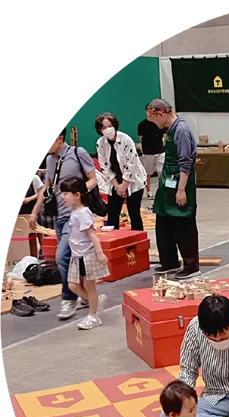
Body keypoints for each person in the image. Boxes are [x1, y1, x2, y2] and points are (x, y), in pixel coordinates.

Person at [28, 126, 96, 320]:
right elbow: (47, 188)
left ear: (59, 138)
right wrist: (35, 212)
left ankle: (69, 298)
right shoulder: (50, 160)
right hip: (58, 216)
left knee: (62, 257)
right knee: (73, 257)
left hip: (75, 216)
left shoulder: (78, 153)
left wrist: (78, 196)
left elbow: (93, 179)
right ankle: (86, 296)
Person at [145, 98, 200, 280]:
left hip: (180, 181)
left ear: (161, 113)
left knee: (182, 223)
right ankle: (169, 262)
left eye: (152, 119)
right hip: (167, 180)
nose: (152, 123)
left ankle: (191, 266)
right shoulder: (169, 130)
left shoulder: (181, 130)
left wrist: (181, 190)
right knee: (163, 221)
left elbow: (186, 162)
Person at [59, 177, 109, 330]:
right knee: (73, 285)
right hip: (77, 255)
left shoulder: (83, 213)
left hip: (87, 254)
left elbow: (92, 235)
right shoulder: (75, 211)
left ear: (77, 195)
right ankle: (95, 301)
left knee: (89, 285)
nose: (62, 197)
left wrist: (100, 254)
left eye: (66, 193)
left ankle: (93, 316)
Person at [95, 112, 147, 231]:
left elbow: (132, 163)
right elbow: (104, 166)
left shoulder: (126, 139)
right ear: (99, 130)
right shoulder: (100, 143)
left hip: (133, 180)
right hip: (114, 181)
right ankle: (114, 239)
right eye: (104, 127)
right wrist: (117, 185)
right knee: (113, 214)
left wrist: (124, 185)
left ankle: (138, 238)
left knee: (134, 213)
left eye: (110, 126)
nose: (107, 129)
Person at [138, 106, 166, 199]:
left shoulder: (160, 123)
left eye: (153, 110)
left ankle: (162, 191)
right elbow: (141, 139)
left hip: (160, 152)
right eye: (149, 110)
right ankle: (149, 191)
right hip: (148, 153)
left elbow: (164, 136)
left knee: (161, 172)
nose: (151, 112)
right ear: (146, 111)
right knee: (148, 173)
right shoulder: (142, 125)